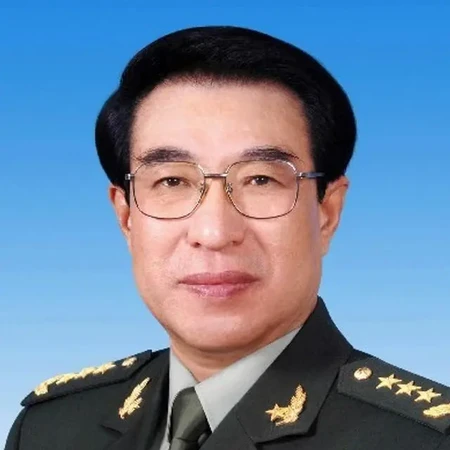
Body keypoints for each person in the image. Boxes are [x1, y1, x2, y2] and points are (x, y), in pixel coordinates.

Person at [5, 25, 450, 450]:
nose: (214, 233)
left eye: (260, 180)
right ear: (126, 217)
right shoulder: (51, 429)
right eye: (172, 181)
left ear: (327, 213)